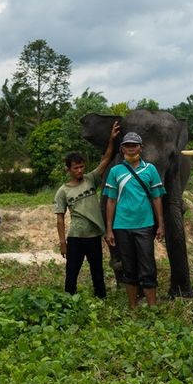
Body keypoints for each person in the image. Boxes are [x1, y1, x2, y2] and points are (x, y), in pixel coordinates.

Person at [54, 121, 120, 297]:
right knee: (71, 273)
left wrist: (112, 140)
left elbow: (106, 159)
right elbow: (60, 218)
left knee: (97, 272)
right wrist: (62, 243)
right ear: (68, 169)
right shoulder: (63, 191)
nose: (80, 170)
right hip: (76, 237)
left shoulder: (91, 179)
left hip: (93, 237)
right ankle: (68, 300)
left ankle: (101, 299)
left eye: (81, 166)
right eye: (75, 168)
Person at [103, 131, 165, 307]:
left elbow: (157, 198)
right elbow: (111, 201)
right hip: (122, 225)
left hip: (145, 225)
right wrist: (109, 229)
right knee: (128, 268)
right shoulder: (115, 171)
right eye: (127, 146)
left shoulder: (150, 170)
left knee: (148, 267)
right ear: (122, 149)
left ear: (141, 148)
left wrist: (161, 225)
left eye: (134, 145)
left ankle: (152, 307)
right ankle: (132, 306)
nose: (131, 149)